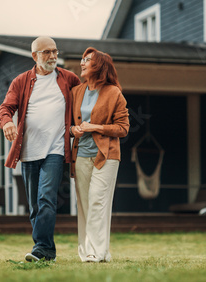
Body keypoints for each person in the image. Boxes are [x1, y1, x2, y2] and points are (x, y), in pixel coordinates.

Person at [0, 36, 81, 262]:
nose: (53, 56)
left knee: (46, 198)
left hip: (55, 150)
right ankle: (47, 252)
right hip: (28, 153)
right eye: (47, 52)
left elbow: (86, 99)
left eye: (55, 51)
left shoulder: (69, 79)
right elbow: (6, 107)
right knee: (34, 206)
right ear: (35, 56)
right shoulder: (21, 81)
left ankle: (42, 249)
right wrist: (7, 122)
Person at [70, 47, 130, 263]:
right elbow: (68, 124)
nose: (82, 63)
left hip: (106, 156)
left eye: (87, 60)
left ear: (99, 66)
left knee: (98, 202)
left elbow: (123, 128)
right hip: (81, 156)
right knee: (85, 205)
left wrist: (95, 127)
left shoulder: (114, 92)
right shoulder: (76, 91)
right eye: (82, 59)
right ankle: (94, 251)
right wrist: (73, 130)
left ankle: (95, 251)